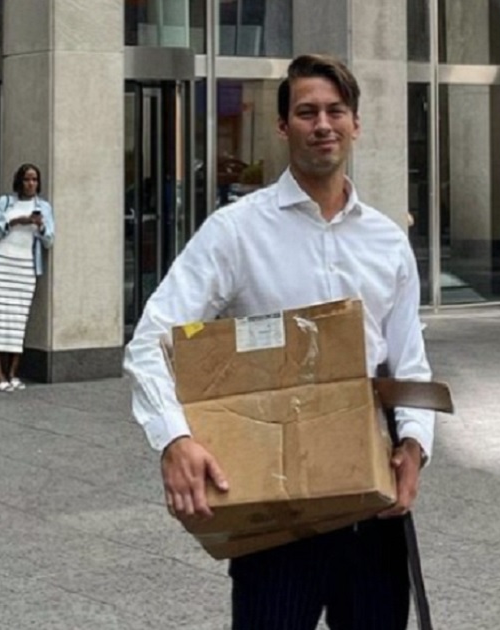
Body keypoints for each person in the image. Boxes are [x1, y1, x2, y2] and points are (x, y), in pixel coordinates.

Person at [123, 54, 434, 630]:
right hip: (273, 510)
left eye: (336, 111)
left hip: (370, 503)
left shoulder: (387, 241)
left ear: (356, 124)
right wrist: (175, 440)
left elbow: (407, 359)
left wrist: (414, 445)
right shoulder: (237, 230)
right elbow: (150, 341)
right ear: (283, 126)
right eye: (307, 111)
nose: (323, 124)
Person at [0, 163, 55, 392]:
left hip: (25, 269)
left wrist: (41, 227)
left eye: (34, 180)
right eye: (27, 179)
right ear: (19, 181)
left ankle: (13, 373)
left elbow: (50, 240)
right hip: (2, 266)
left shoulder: (43, 207)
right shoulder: (5, 203)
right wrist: (14, 221)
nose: (31, 183)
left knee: (17, 322)